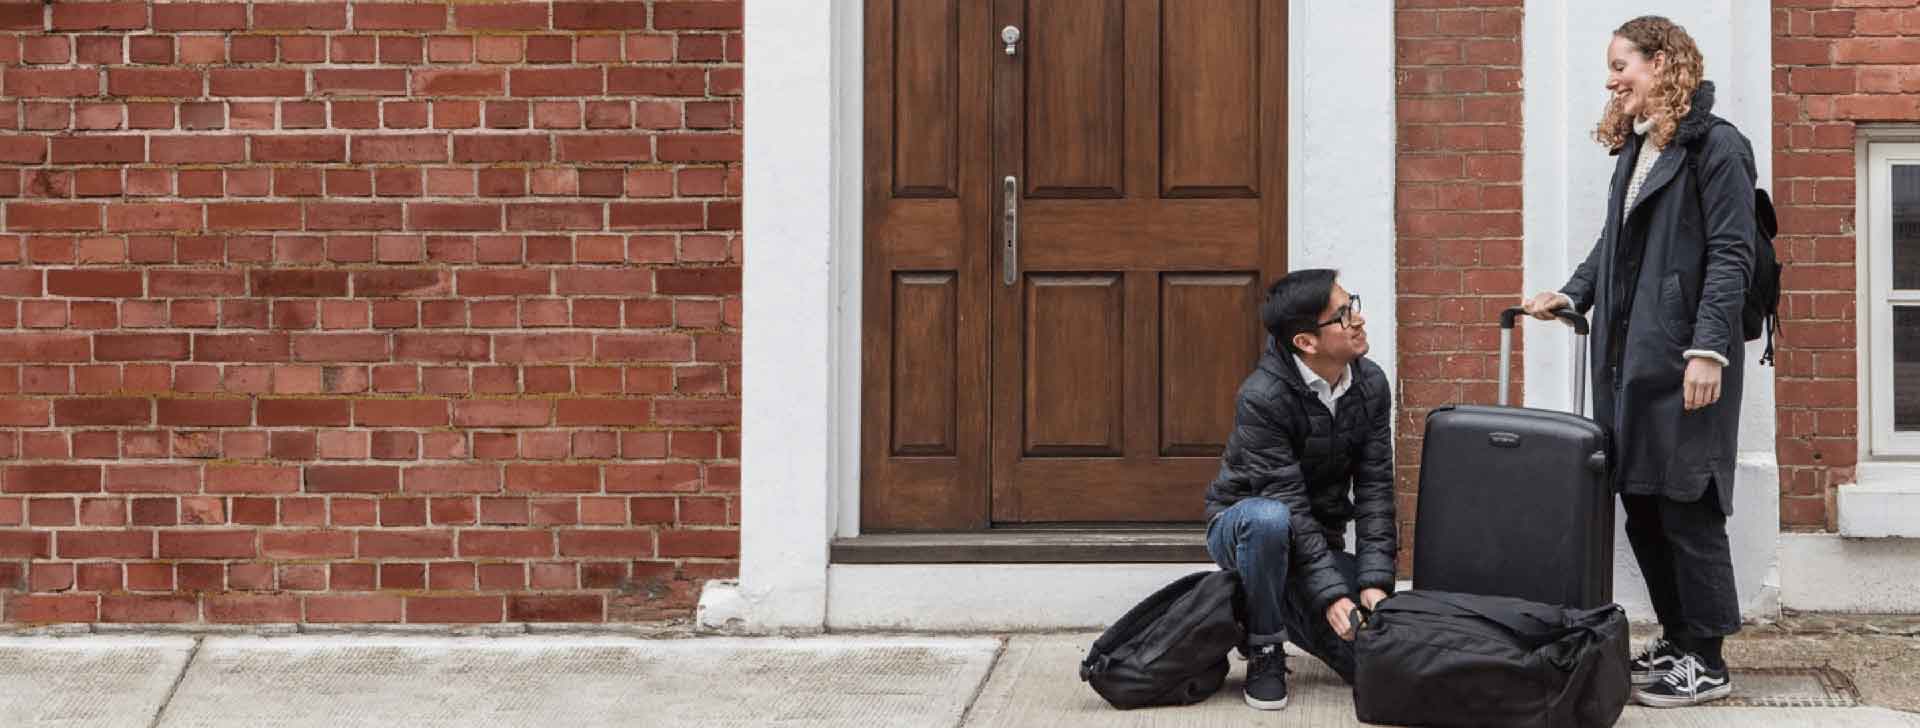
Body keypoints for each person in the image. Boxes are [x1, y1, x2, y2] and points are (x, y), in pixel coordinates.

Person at [1523, 15, 1754, 708]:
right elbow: (1614, 241)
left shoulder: (1717, 146)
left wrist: (1709, 349)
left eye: (1621, 65)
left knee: (1688, 506)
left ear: (1661, 63)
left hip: (1685, 360)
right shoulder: (1640, 146)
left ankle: (1708, 659)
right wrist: (1573, 293)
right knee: (1643, 507)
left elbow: (1732, 254)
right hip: (1631, 363)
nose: (1611, 80)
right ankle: (1679, 640)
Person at [1202, 268, 1395, 711]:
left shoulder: (1370, 385)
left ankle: (1266, 598)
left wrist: (1374, 582)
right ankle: (1265, 646)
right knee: (1270, 520)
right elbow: (1285, 501)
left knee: (1379, 661)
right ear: (1306, 342)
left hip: (1312, 544)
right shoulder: (1262, 398)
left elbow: (1376, 489)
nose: (1359, 320)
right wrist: (1330, 594)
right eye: (1343, 315)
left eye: (1352, 305)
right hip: (1245, 528)